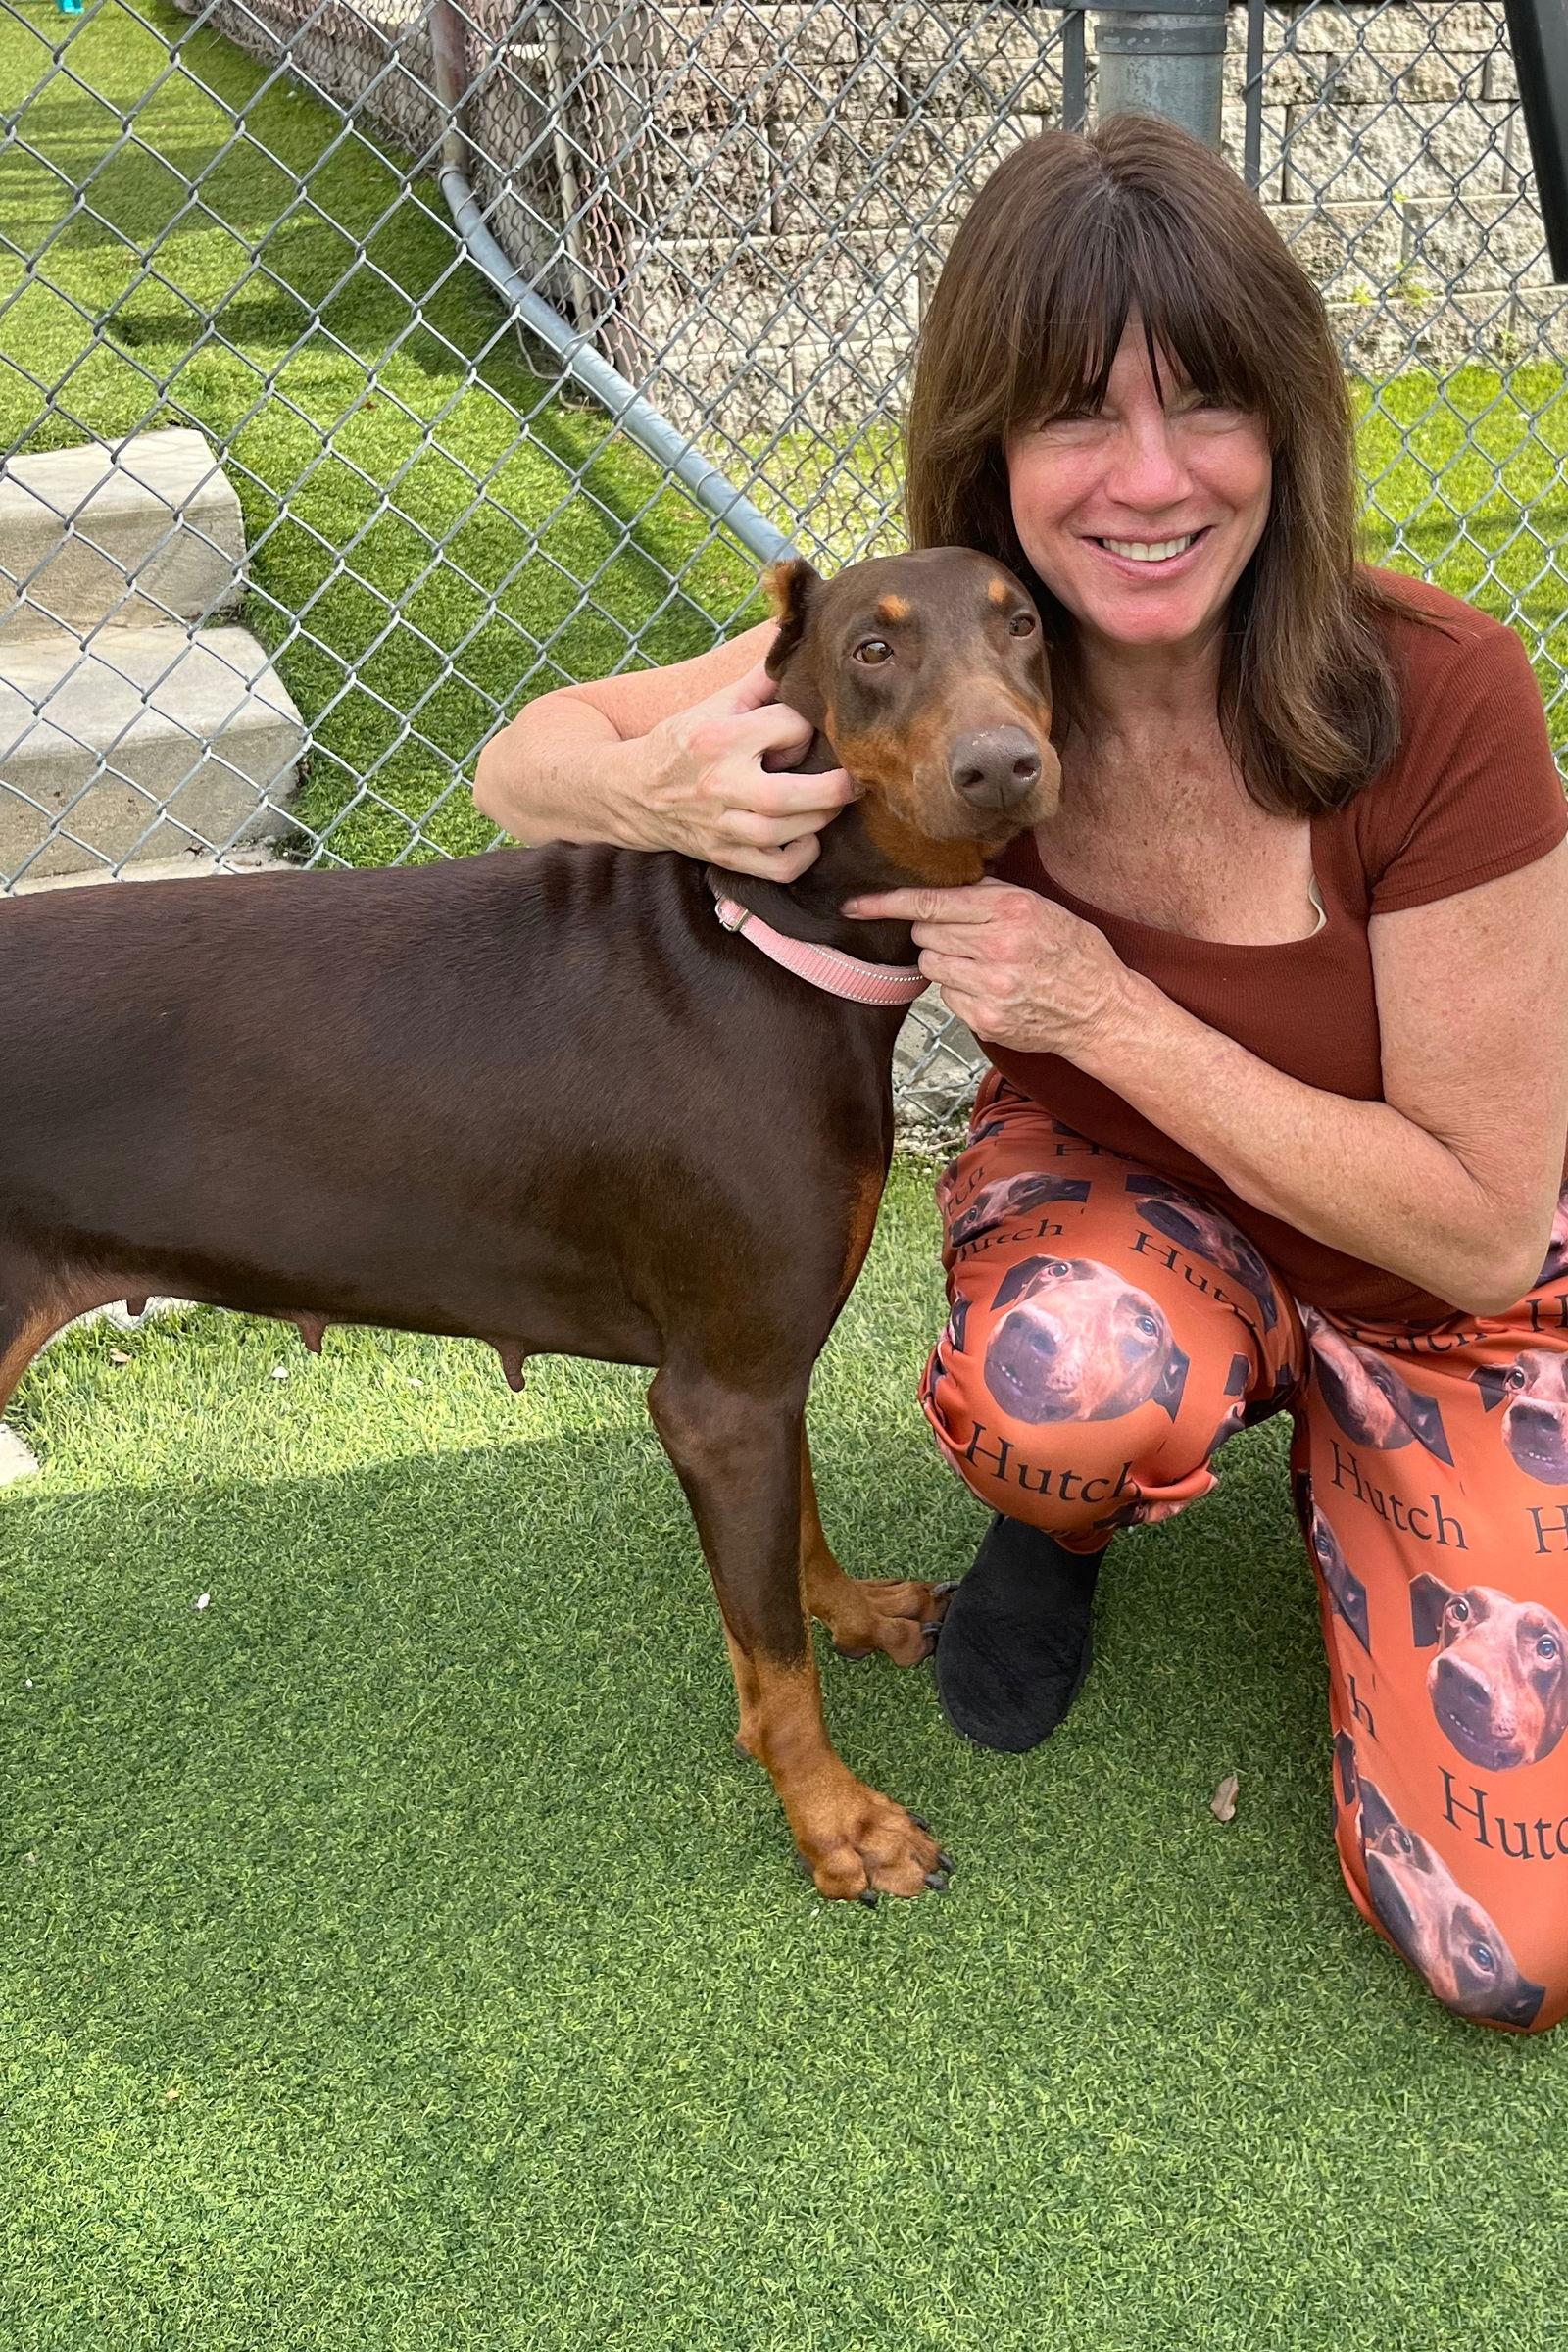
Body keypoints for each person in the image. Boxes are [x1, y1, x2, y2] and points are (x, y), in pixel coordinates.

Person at [474, 115, 1568, 2032]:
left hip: (1443, 1298)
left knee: (1507, 1953)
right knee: (1056, 1386)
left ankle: (1373, 1471)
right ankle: (1058, 1533)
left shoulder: (1437, 691)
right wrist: (658, 786)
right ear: (986, 449)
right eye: (1077, 416)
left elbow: (1481, 1233)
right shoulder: (951, 647)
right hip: (1141, 1235)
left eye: (1205, 406)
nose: (1147, 481)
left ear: (1285, 429)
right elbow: (518, 758)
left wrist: (1102, 1007)